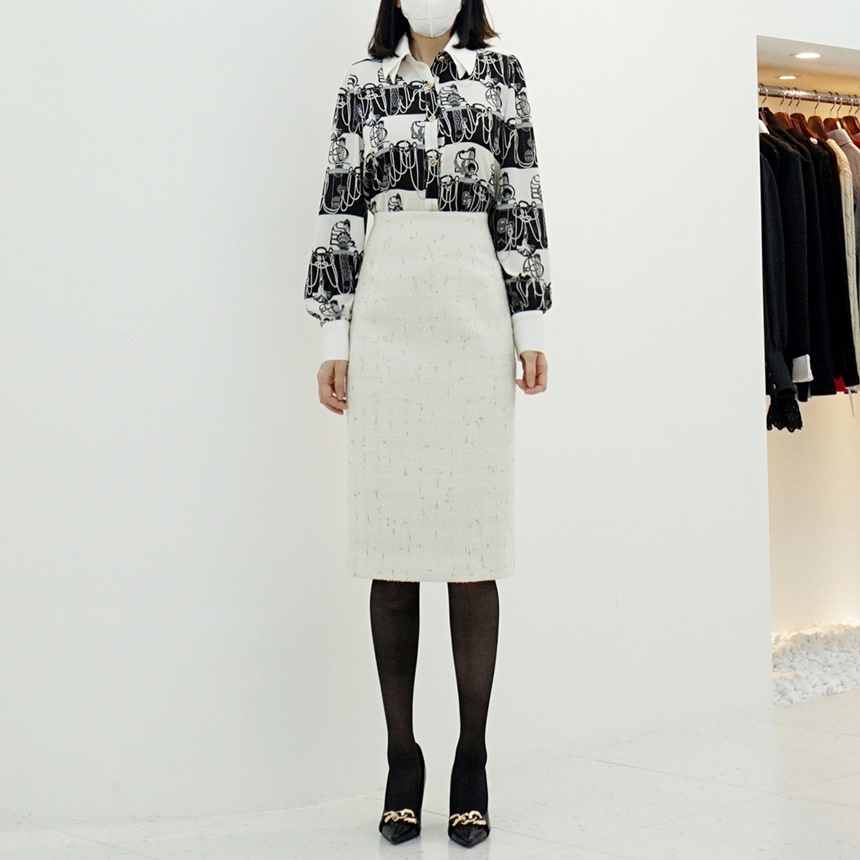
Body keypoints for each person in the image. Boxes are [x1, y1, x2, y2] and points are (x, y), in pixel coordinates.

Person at [303, 0, 552, 847]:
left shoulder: (501, 75)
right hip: (386, 316)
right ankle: (401, 758)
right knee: (393, 547)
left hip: (474, 313)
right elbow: (339, 208)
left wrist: (530, 326)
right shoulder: (362, 82)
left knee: (472, 547)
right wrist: (333, 337)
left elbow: (521, 198)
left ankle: (471, 758)